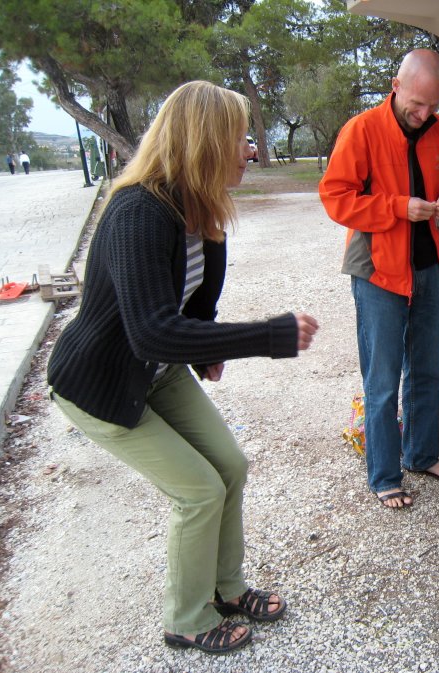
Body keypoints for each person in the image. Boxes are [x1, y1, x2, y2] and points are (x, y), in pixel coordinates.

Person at [47, 80, 319, 654]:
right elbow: (152, 328)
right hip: (102, 381)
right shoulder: (137, 211)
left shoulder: (203, 207)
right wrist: (270, 334)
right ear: (206, 140)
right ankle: (187, 618)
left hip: (154, 369)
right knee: (197, 490)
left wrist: (210, 350)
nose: (251, 150)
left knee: (230, 466)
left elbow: (193, 308)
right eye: (240, 138)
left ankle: (225, 588)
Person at [319, 49, 439, 509]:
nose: (423, 115)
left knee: (427, 371)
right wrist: (397, 207)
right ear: (396, 85)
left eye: (433, 106)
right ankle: (384, 475)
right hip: (378, 273)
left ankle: (420, 455)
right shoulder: (362, 130)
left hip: (429, 269)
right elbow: (335, 197)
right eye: (417, 104)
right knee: (381, 380)